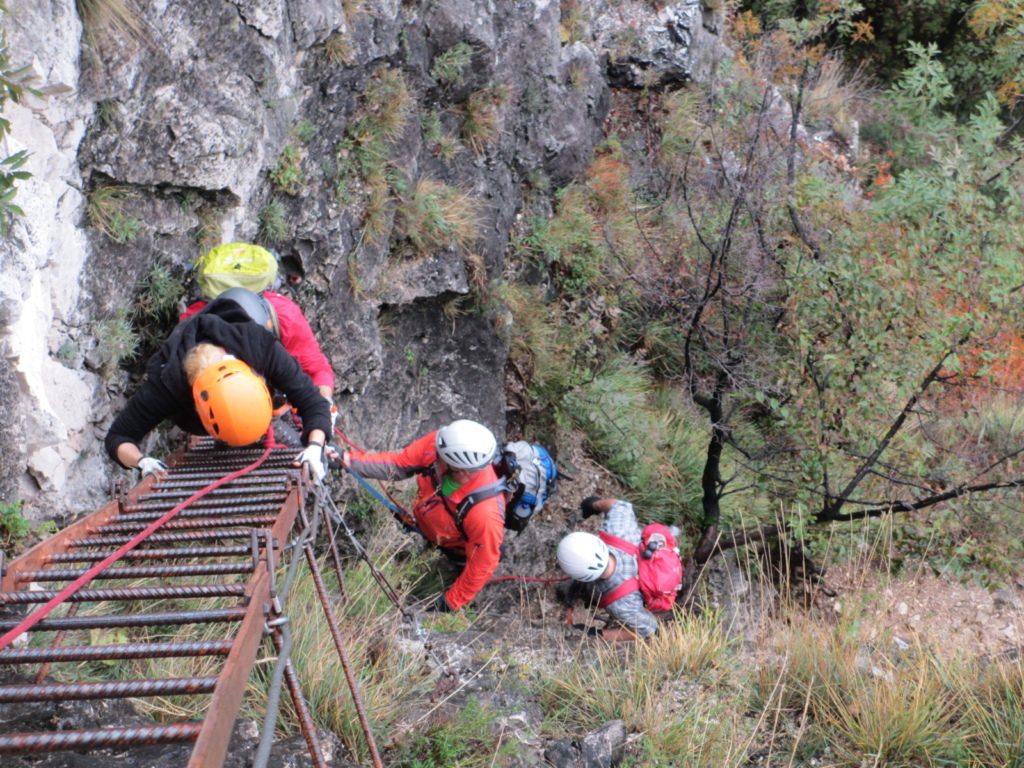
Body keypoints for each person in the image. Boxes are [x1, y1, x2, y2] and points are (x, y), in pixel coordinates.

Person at [105, 293, 332, 483]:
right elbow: (119, 437)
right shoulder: (166, 386)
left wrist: (315, 446)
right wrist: (141, 461)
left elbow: (314, 403)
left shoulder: (261, 347)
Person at [338, 419, 503, 612]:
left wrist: (449, 602)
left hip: (455, 547)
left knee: (455, 571)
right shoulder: (443, 443)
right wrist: (346, 459)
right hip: (428, 524)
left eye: (441, 457)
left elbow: (483, 563)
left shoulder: (485, 513)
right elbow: (398, 465)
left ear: (463, 471)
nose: (434, 453)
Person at [556, 497, 670, 641]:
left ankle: (581, 590)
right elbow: (619, 505)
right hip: (662, 567)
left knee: (574, 591)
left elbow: (649, 630)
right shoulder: (618, 532)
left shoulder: (621, 605)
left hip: (631, 592)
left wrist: (598, 634)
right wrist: (594, 504)